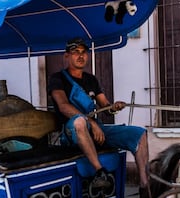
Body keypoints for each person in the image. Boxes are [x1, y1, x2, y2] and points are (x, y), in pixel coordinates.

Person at [47, 37, 149, 189]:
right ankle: (99, 172)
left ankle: (145, 186)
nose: (81, 56)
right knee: (79, 122)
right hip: (71, 132)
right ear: (67, 56)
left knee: (139, 134)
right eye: (75, 52)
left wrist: (113, 107)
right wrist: (92, 123)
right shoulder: (58, 78)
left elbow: (105, 106)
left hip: (95, 128)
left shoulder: (91, 80)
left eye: (83, 52)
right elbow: (63, 106)